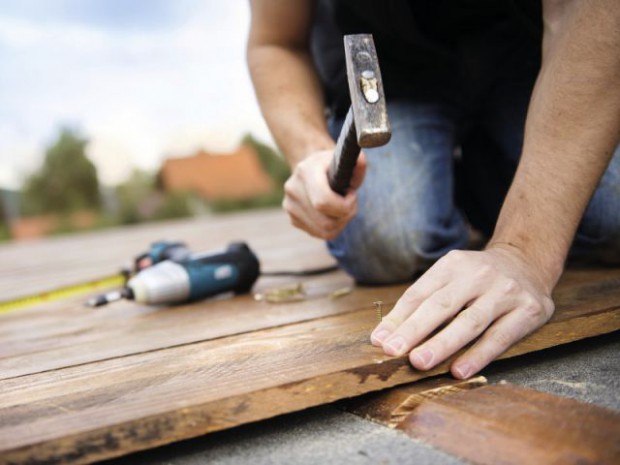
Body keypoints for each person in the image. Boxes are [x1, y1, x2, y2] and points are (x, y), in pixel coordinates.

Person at [247, 0, 620, 379]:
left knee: (614, 212)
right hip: (397, 75)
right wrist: (310, 152)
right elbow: (275, 43)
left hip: (531, 55)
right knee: (388, 240)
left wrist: (525, 251)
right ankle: (459, 184)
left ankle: (486, 178)